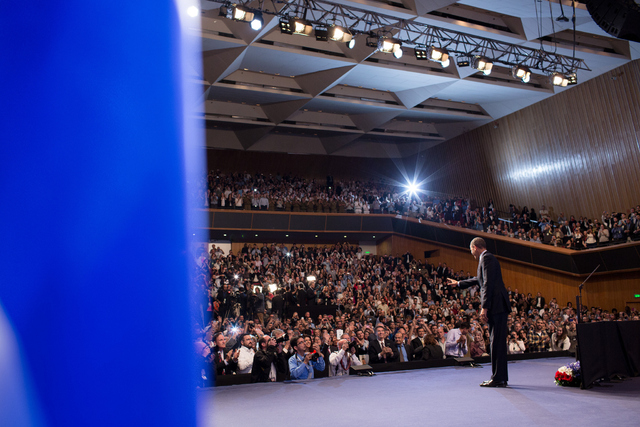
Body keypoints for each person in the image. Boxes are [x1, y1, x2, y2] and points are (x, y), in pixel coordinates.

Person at [448, 237, 510, 387]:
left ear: (475, 247)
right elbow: (479, 279)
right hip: (498, 305)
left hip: (496, 306)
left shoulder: (486, 258)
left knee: (497, 343)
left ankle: (498, 378)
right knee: (497, 342)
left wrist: (484, 307)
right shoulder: (488, 258)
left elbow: (487, 284)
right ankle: (499, 377)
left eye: (471, 250)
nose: (472, 254)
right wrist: (459, 283)